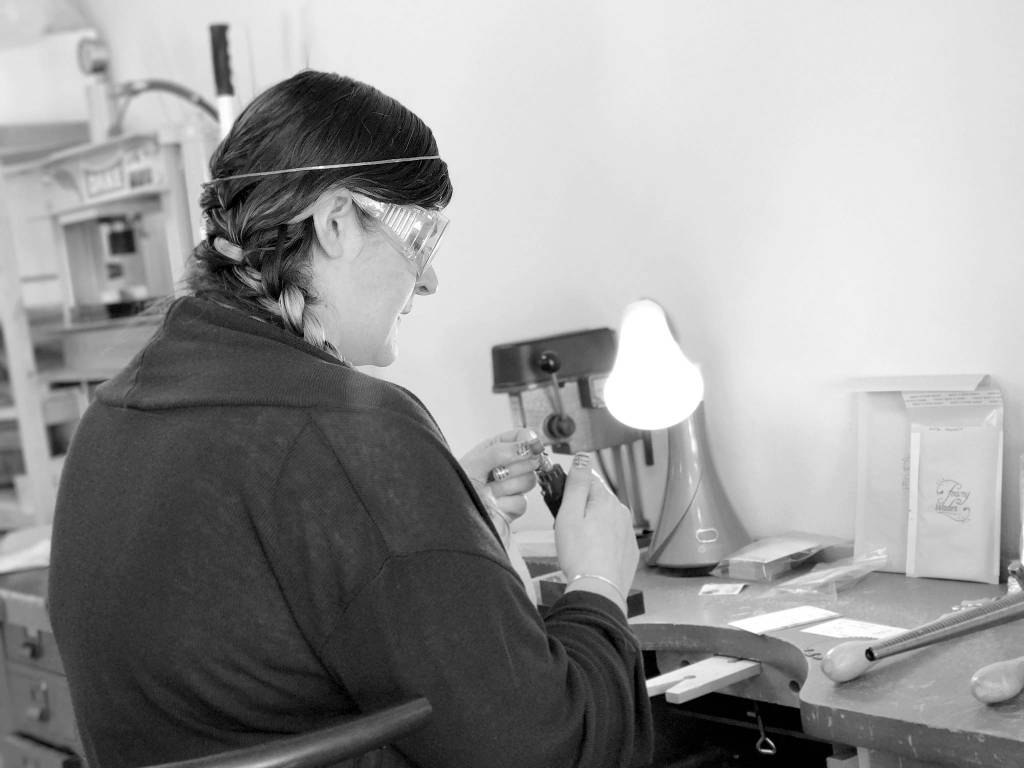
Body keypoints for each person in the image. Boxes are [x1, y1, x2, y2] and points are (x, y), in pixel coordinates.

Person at [47, 70, 653, 768]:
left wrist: (438, 523)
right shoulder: (352, 431)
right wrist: (599, 582)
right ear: (335, 222)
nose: (428, 279)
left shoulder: (114, 417)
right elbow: (554, 750)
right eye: (420, 239)